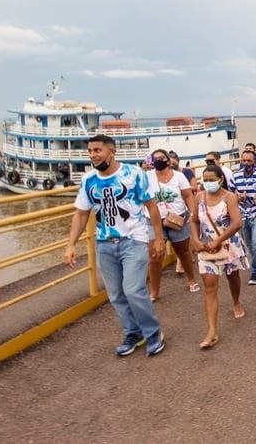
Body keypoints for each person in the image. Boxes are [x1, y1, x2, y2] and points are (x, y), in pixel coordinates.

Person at [64, 135, 166, 357]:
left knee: (133, 290)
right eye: (90, 151)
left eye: (98, 150)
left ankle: (153, 333)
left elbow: (151, 205)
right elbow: (81, 213)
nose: (93, 155)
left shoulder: (133, 174)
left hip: (134, 240)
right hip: (105, 244)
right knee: (116, 294)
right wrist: (71, 244)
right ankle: (133, 332)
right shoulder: (89, 180)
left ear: (112, 152)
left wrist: (158, 238)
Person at [191, 165, 248, 348]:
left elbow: (237, 222)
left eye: (211, 180)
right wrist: (196, 240)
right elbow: (193, 220)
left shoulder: (229, 197)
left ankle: (236, 301)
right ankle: (212, 331)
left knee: (233, 278)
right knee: (209, 288)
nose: (207, 183)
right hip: (206, 248)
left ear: (220, 179)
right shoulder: (199, 197)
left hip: (228, 245)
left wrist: (219, 240)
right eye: (205, 180)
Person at [146, 149, 199, 300]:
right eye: (155, 158)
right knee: (155, 256)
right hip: (154, 221)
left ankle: (191, 279)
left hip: (177, 219)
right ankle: (154, 291)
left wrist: (193, 214)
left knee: (183, 251)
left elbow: (188, 196)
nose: (158, 160)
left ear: (168, 161)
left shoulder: (179, 176)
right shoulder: (147, 177)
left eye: (161, 158)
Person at [232, 150, 256, 285]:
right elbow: (230, 195)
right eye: (244, 161)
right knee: (248, 243)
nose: (246, 163)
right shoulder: (235, 177)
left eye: (249, 161)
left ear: (255, 162)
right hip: (242, 213)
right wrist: (237, 197)